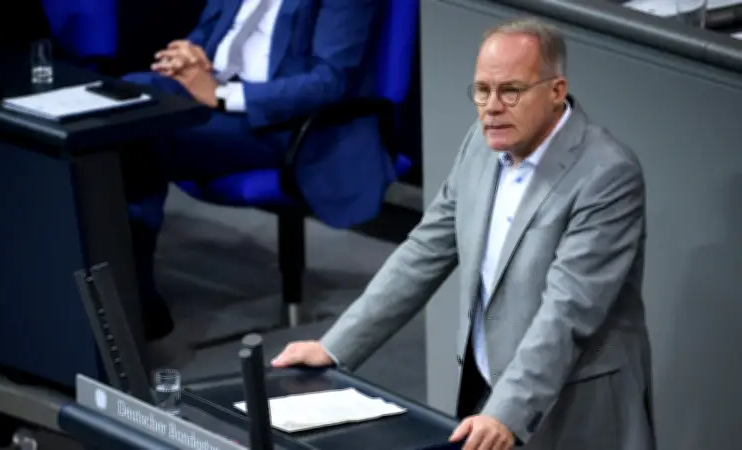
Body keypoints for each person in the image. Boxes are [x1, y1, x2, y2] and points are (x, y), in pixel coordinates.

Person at [272, 18, 657, 450]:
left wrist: (505, 412)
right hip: (488, 393)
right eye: (482, 90)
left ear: (556, 91)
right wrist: (335, 348)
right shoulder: (481, 143)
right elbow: (424, 251)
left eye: (511, 91)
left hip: (574, 408)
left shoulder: (606, 174)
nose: (492, 107)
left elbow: (567, 312)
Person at [120, 0, 395, 341]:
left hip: (274, 122)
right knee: (123, 100)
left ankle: (134, 298)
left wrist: (223, 95)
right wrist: (188, 54)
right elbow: (209, 30)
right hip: (209, 93)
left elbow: (328, 82)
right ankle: (121, 286)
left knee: (137, 138)